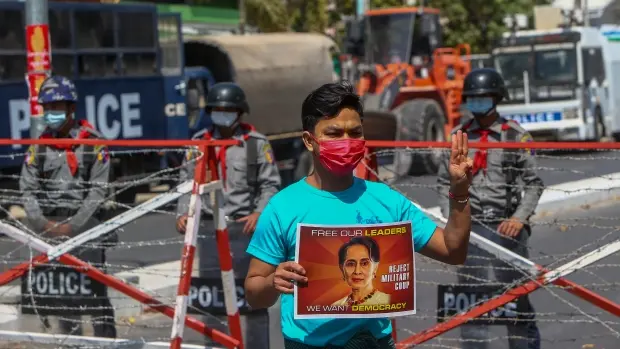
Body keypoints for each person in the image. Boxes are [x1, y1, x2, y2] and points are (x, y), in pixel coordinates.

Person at [244, 81, 473, 349]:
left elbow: (452, 250)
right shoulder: (283, 207)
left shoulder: (387, 201)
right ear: (309, 141)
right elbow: (254, 292)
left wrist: (459, 192)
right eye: (334, 133)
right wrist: (273, 281)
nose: (346, 142)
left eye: (355, 133)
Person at [437, 68, 544, 349]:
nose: (476, 102)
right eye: (471, 97)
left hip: (505, 228)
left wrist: (519, 219)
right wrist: (451, 218)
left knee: (515, 298)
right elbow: (442, 180)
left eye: (482, 97)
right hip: (470, 230)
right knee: (472, 301)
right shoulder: (459, 135)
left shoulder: (515, 137)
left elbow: (534, 183)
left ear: (496, 98)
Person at [176, 82, 281, 349]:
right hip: (210, 229)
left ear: (240, 112)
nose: (223, 114)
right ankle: (217, 345)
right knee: (213, 298)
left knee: (252, 297)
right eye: (218, 109)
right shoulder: (199, 143)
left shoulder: (255, 144)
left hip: (244, 229)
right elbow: (186, 182)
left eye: (229, 109)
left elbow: (270, 184)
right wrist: (182, 213)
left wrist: (260, 212)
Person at [19, 75, 116, 338]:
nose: (52, 113)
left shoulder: (92, 142)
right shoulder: (39, 147)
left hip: (87, 230)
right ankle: (70, 343)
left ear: (72, 108)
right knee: (62, 297)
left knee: (95, 296)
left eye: (58, 107)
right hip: (49, 230)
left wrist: (73, 226)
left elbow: (98, 191)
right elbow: (26, 189)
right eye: (47, 108)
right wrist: (43, 224)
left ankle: (105, 344)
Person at [331, 236, 390, 307]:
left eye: (364, 263)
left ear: (375, 268)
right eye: (350, 264)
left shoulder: (388, 301)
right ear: (342, 268)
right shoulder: (336, 306)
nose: (357, 271)